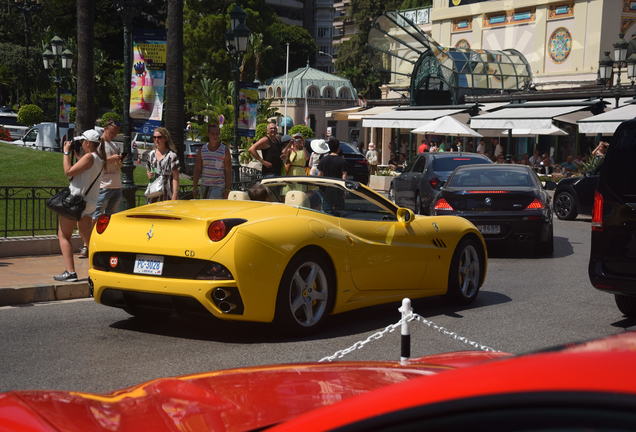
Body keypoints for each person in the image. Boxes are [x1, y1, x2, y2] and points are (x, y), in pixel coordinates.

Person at [54, 129, 103, 282]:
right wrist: (76, 154)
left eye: (83, 141)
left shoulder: (89, 157)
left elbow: (68, 172)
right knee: (87, 237)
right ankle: (97, 270)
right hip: (89, 204)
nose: (81, 143)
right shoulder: (100, 159)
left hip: (76, 203)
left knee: (64, 236)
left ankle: (70, 272)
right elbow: (84, 170)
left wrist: (66, 152)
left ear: (88, 143)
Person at [193, 120, 231, 199]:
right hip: (204, 185)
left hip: (218, 187)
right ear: (208, 134)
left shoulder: (224, 150)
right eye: (213, 134)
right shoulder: (202, 150)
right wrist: (195, 187)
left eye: (217, 134)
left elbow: (228, 170)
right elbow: (197, 169)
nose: (215, 136)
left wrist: (227, 189)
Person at [94, 120, 123, 220]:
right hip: (104, 185)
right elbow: (95, 162)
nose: (114, 135)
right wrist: (111, 159)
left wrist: (120, 161)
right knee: (97, 214)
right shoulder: (98, 144)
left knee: (111, 216)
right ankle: (90, 234)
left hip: (117, 185)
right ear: (105, 129)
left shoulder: (114, 145)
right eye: (112, 133)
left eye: (115, 133)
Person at [146, 127, 180, 202]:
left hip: (167, 193)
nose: (156, 140)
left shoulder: (171, 156)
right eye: (154, 137)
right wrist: (149, 174)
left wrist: (174, 194)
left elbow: (175, 177)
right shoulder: (151, 155)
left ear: (165, 138)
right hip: (154, 192)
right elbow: (148, 171)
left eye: (159, 137)